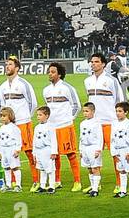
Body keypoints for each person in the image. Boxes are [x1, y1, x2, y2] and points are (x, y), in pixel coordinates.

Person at [84, 52, 125, 187]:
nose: (93, 64)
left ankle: (120, 183)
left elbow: (119, 100)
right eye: (92, 62)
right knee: (94, 154)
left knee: (116, 153)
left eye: (96, 62)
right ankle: (95, 184)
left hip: (110, 122)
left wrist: (118, 119)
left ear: (103, 64)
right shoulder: (87, 81)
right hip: (95, 124)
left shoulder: (112, 80)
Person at [0, 55, 39, 185]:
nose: (7, 66)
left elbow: (33, 103)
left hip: (23, 123)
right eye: (6, 64)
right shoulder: (3, 86)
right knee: (10, 152)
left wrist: (25, 117)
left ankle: (36, 180)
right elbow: (2, 105)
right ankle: (14, 182)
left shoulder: (24, 84)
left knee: (29, 153)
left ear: (17, 68)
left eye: (10, 64)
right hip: (9, 126)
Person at [43, 62, 83, 192]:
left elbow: (76, 106)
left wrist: (68, 119)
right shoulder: (46, 90)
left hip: (65, 126)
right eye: (49, 71)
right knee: (54, 155)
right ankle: (56, 180)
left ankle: (77, 181)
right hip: (51, 128)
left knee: (70, 154)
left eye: (53, 72)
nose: (50, 74)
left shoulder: (67, 88)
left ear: (59, 74)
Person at [111, 101, 129, 198]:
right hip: (118, 151)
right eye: (116, 111)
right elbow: (112, 139)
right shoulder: (114, 123)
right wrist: (114, 153)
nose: (117, 113)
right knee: (122, 171)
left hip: (127, 150)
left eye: (120, 111)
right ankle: (123, 191)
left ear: (126, 112)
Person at [77, 101, 105, 197]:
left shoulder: (97, 123)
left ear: (93, 111)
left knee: (95, 168)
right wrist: (80, 150)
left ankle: (96, 189)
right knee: (89, 168)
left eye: (87, 111)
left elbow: (100, 137)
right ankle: (92, 187)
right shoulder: (82, 123)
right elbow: (81, 137)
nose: (85, 113)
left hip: (93, 148)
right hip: (85, 148)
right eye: (84, 111)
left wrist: (98, 149)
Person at [32, 105, 58, 192]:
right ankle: (42, 186)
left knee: (50, 169)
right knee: (42, 169)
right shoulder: (37, 127)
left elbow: (54, 139)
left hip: (47, 150)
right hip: (39, 151)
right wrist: (34, 153)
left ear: (46, 116)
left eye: (40, 115)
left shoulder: (50, 127)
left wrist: (54, 152)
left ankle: (51, 186)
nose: (38, 117)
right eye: (37, 115)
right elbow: (34, 141)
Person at [0, 107, 24, 192]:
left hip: (11, 149)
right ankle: (8, 185)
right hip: (4, 150)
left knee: (15, 167)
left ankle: (18, 185)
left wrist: (17, 149)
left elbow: (18, 139)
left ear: (10, 116)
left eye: (4, 116)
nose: (2, 118)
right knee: (6, 167)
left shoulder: (14, 128)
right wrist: (0, 151)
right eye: (1, 116)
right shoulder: (1, 128)